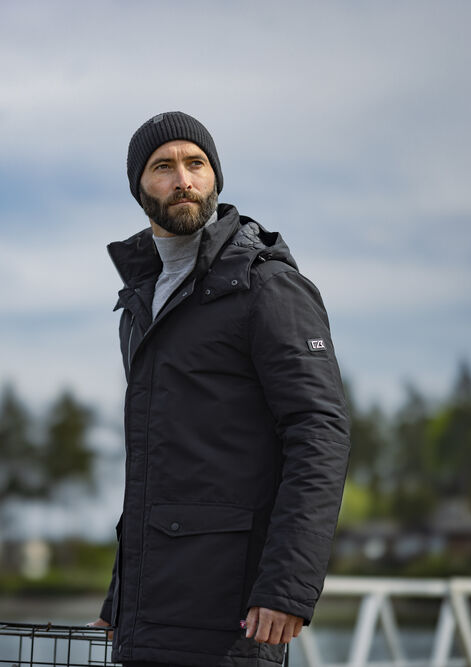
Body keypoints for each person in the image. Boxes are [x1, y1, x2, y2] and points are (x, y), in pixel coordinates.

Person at [89, 111, 350, 667]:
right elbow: (157, 467)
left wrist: (287, 587)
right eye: (163, 167)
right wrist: (121, 601)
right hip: (152, 616)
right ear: (139, 187)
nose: (183, 179)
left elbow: (319, 434)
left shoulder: (267, 286)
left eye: (196, 163)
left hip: (234, 614)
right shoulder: (137, 305)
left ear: (216, 178)